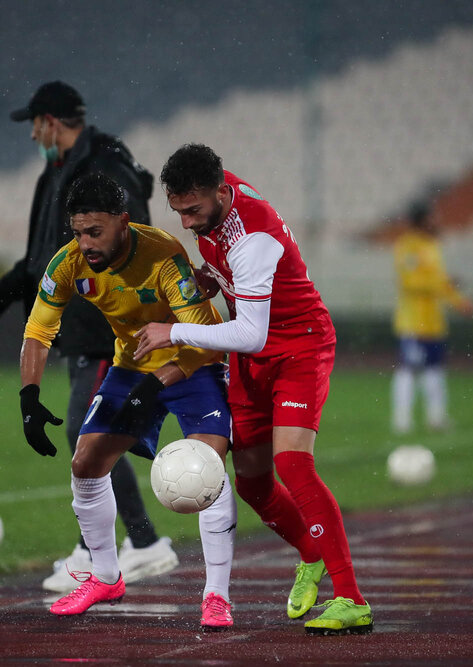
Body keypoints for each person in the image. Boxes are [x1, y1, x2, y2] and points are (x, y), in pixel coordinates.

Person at [134, 144, 373, 635]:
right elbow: (242, 305)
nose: (185, 222)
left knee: (292, 462)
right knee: (252, 483)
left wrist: (173, 332)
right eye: (177, 211)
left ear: (221, 192)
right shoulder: (217, 195)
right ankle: (311, 551)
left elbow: (250, 333)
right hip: (254, 356)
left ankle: (352, 598)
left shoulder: (253, 238)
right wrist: (213, 278)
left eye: (193, 211)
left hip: (298, 346)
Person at [0, 81, 176, 591]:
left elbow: (131, 241)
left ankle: (111, 548)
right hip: (80, 328)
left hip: (106, 329)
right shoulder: (61, 170)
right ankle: (138, 543)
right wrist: (1, 295)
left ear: (50, 123)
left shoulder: (103, 167)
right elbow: (44, 256)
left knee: (86, 433)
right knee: (86, 434)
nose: (32, 133)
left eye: (34, 124)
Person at [19, 173, 237, 629]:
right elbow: (38, 331)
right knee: (86, 459)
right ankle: (105, 576)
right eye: (77, 233)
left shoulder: (163, 255)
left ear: (123, 222)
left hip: (193, 362)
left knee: (207, 466)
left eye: (94, 232)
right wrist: (29, 396)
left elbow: (205, 339)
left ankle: (216, 595)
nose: (85, 244)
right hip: (132, 366)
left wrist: (157, 384)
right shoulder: (67, 264)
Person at [391, 200, 473, 434]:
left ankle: (436, 417)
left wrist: (461, 303)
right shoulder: (407, 247)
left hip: (433, 321)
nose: (436, 221)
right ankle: (402, 419)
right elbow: (410, 282)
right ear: (421, 220)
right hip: (413, 321)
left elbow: (441, 284)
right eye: (432, 217)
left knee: (434, 369)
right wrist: (443, 283)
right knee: (408, 368)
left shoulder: (432, 246)